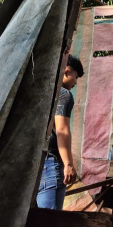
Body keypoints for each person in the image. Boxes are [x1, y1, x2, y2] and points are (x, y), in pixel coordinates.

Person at [37, 55, 84, 210]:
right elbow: (62, 130)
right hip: (51, 164)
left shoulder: (42, 90)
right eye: (75, 77)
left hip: (40, 162)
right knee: (48, 224)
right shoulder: (63, 94)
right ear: (66, 71)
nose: (75, 83)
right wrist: (68, 164)